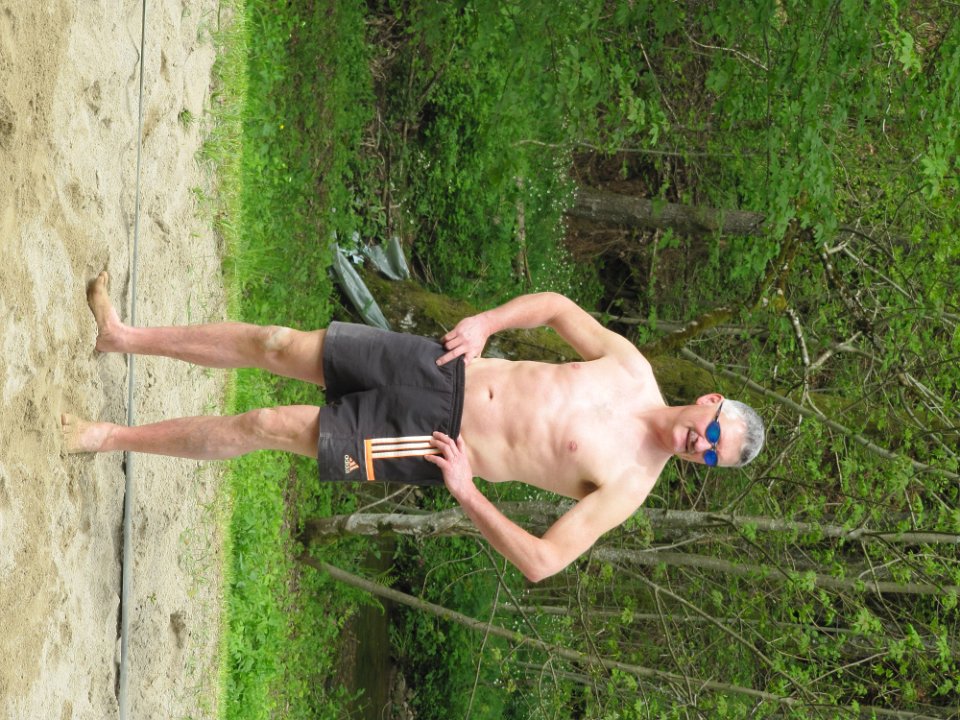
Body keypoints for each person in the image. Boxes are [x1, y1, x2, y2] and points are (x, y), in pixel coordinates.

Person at [63, 271, 765, 581]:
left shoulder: (630, 485)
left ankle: (106, 437)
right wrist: (486, 322)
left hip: (431, 440)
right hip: (443, 365)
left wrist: (467, 493)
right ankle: (121, 336)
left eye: (710, 458)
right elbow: (556, 307)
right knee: (278, 344)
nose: (697, 446)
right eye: (711, 434)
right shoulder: (631, 367)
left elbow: (544, 561)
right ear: (710, 401)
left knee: (266, 422)